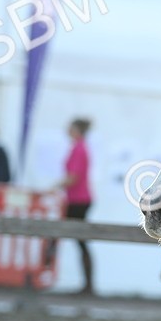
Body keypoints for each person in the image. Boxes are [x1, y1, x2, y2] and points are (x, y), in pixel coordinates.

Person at [57, 117, 95, 296]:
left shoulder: (79, 149)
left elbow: (73, 177)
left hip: (78, 200)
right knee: (80, 241)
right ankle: (87, 284)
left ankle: (88, 285)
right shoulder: (78, 147)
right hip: (76, 199)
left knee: (73, 239)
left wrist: (53, 187)